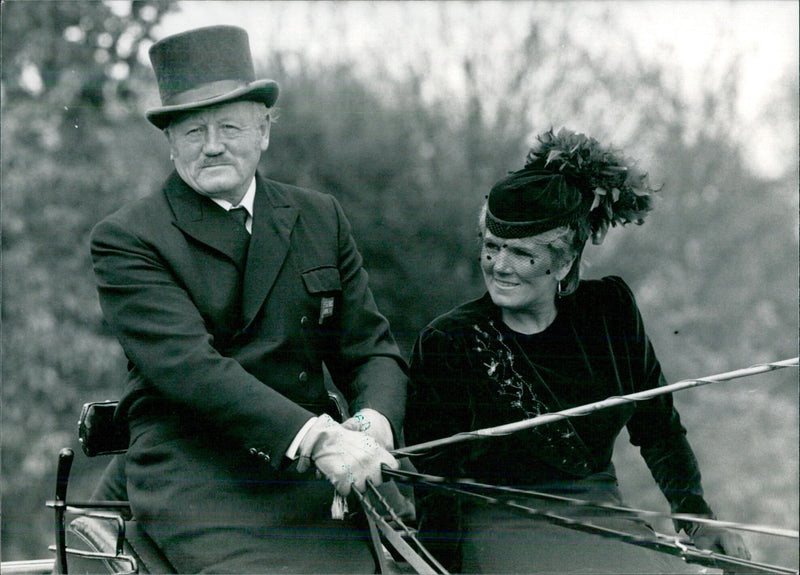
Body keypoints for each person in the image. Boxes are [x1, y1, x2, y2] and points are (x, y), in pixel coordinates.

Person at [89, 25, 409, 573]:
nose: (212, 145)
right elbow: (192, 370)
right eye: (193, 131)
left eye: (230, 126)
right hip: (198, 476)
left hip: (315, 477)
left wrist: (373, 425)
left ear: (264, 131)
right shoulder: (129, 237)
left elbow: (370, 349)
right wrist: (319, 440)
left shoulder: (318, 216)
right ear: (170, 144)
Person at [404, 128, 751, 573]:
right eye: (491, 248)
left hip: (599, 517)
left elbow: (658, 427)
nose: (500, 268)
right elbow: (435, 481)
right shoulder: (449, 341)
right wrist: (440, 567)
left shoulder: (609, 312)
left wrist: (696, 519)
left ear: (564, 261)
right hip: (499, 527)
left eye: (522, 254)